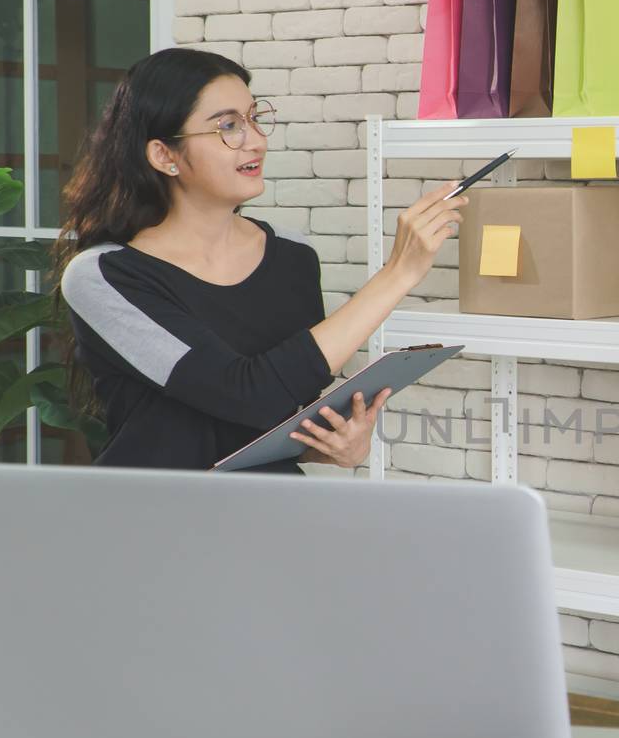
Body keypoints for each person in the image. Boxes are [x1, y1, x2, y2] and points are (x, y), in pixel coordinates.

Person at [52, 48, 465, 472]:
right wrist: (398, 274)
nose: (256, 140)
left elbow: (276, 415)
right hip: (161, 520)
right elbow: (247, 393)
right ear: (164, 156)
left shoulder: (292, 255)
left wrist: (326, 444)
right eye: (228, 126)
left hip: (272, 514)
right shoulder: (104, 277)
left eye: (253, 118)